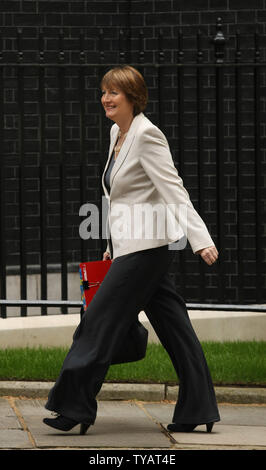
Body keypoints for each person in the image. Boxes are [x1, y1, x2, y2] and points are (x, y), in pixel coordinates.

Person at [43, 65, 220, 435]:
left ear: (133, 98)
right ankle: (198, 407)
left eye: (115, 93)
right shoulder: (117, 133)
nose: (106, 98)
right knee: (175, 328)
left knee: (97, 322)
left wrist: (200, 239)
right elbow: (122, 198)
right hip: (133, 247)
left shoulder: (147, 135)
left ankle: (73, 405)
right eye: (104, 91)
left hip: (148, 249)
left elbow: (174, 190)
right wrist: (112, 245)